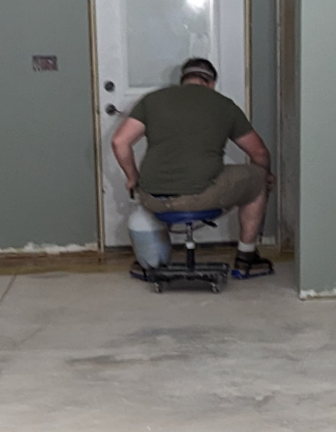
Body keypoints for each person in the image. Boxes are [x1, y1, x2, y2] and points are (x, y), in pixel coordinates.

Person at [110, 57, 273, 275]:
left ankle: (151, 260)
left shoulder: (152, 100)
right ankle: (246, 259)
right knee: (259, 178)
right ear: (211, 82)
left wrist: (132, 178)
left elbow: (119, 141)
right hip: (198, 198)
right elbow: (259, 153)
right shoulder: (223, 104)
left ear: (183, 79)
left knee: (166, 185)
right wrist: (266, 175)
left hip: (151, 199)